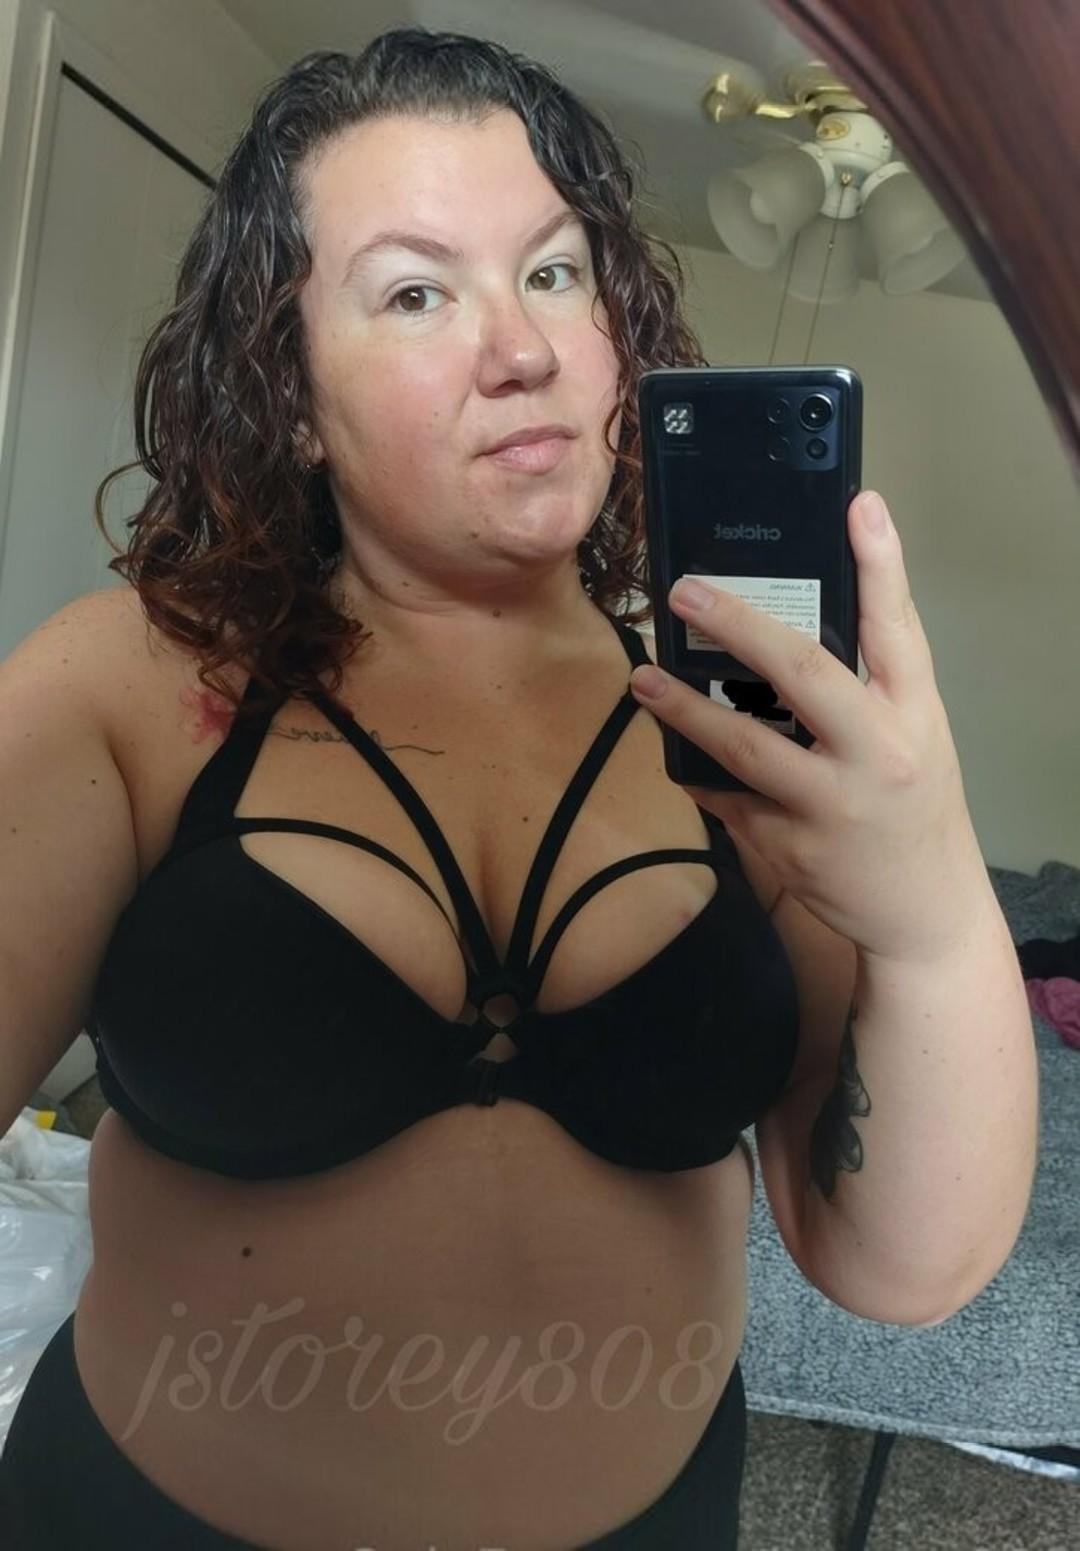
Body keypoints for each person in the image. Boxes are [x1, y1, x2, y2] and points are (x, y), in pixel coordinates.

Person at [0, 26, 807, 1549]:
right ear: (292, 393)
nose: (524, 348)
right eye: (418, 293)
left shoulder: (739, 713)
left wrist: (924, 864)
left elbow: (902, 1261)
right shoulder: (127, 685)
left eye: (555, 272)